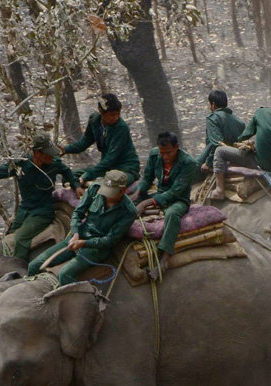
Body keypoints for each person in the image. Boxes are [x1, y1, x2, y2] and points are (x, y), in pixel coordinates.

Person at [0, 135, 79, 261]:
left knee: (21, 240)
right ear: (37, 153)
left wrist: (76, 185)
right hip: (24, 210)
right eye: (48, 154)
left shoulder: (54, 164)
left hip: (42, 212)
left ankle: (18, 271)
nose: (52, 156)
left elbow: (67, 172)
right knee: (9, 236)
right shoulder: (20, 166)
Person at [27, 170, 137, 286]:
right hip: (76, 238)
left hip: (95, 249)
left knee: (64, 274)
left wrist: (84, 243)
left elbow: (109, 240)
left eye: (111, 193)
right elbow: (77, 213)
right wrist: (75, 233)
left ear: (123, 190)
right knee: (34, 265)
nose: (106, 195)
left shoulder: (128, 212)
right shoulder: (95, 189)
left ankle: (83, 301)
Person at [209, 89, 271, 200]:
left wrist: (238, 143)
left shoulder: (261, 112)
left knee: (220, 151)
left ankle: (219, 190)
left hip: (259, 163)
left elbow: (246, 134)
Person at [132, 132, 198, 278]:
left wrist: (146, 203)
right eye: (162, 153)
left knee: (172, 214)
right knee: (128, 203)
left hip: (178, 199)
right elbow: (147, 177)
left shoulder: (188, 162)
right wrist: (138, 194)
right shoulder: (155, 154)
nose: (165, 157)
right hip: (159, 193)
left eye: (168, 153)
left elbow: (175, 191)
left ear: (177, 147)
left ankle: (164, 260)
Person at [62, 93, 140, 183]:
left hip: (125, 169)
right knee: (69, 176)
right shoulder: (94, 120)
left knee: (113, 183)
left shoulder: (121, 128)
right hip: (106, 169)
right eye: (112, 115)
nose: (116, 117)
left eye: (118, 114)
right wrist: (65, 150)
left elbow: (111, 157)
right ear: (101, 111)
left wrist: (88, 175)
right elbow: (85, 142)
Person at [196, 90, 245, 174]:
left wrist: (208, 163)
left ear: (213, 104)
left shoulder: (213, 118)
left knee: (192, 167)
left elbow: (217, 144)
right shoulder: (239, 122)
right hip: (237, 156)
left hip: (220, 157)